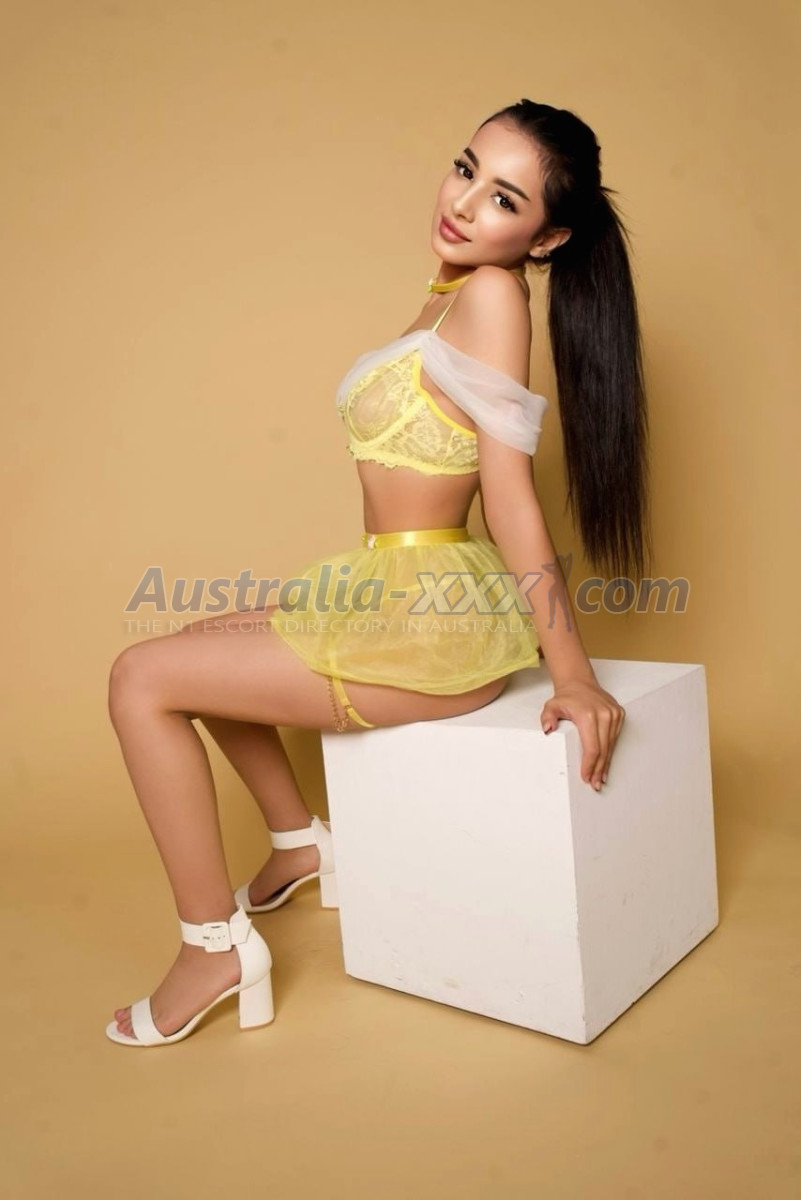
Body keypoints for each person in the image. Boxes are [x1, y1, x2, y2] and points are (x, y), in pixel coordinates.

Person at [106, 98, 652, 1047]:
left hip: (428, 613)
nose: (463, 201)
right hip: (388, 584)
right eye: (465, 168)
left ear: (547, 237)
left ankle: (212, 949)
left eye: (503, 197)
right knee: (197, 646)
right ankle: (299, 844)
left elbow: (510, 497)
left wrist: (572, 674)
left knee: (140, 679)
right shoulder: (451, 290)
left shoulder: (492, 296)